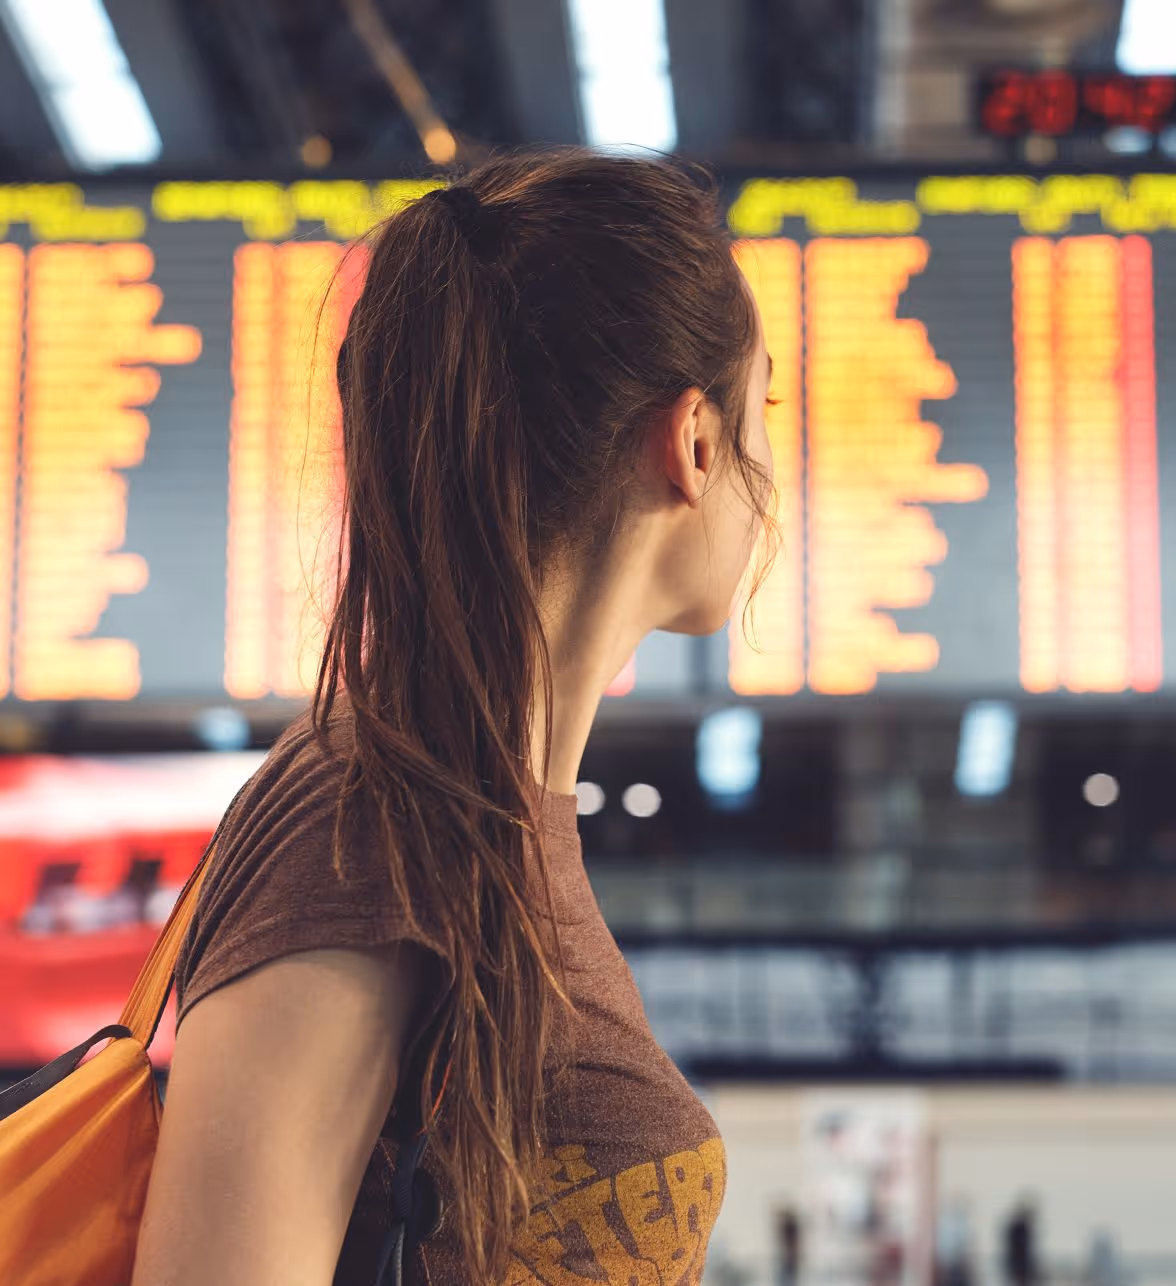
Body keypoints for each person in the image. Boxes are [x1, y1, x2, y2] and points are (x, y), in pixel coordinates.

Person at [130, 148, 777, 1286]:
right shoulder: (369, 816)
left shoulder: (483, 812)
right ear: (694, 442)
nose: (775, 459)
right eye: (765, 405)